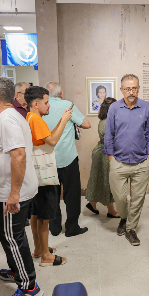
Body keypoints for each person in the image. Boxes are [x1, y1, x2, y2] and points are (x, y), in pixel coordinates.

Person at [0, 76, 43, 296]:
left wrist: (14, 194)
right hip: (6, 192)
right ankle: (17, 267)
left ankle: (29, 287)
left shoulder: (7, 119)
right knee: (6, 231)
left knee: (12, 236)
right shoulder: (6, 117)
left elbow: (18, 155)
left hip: (11, 194)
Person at [104, 74, 149, 246]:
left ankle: (130, 229)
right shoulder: (114, 108)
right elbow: (108, 134)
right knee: (120, 198)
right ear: (121, 90)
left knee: (138, 198)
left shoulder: (147, 108)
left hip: (141, 162)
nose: (131, 92)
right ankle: (124, 218)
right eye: (127, 89)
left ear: (138, 89)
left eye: (134, 88)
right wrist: (111, 157)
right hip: (118, 161)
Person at [25, 86, 71, 266]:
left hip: (36, 176)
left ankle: (39, 248)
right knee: (44, 216)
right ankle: (46, 256)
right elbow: (52, 141)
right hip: (44, 176)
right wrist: (65, 120)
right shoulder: (35, 119)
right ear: (36, 104)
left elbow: (47, 137)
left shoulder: (31, 117)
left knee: (36, 213)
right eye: (46, 103)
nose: (49, 106)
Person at [43, 82, 91, 237]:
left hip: (48, 158)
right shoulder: (67, 105)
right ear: (61, 94)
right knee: (72, 194)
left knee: (52, 194)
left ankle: (54, 227)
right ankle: (71, 228)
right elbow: (86, 124)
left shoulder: (42, 107)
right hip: (68, 157)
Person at [85, 97, 120, 218]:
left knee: (97, 180)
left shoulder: (105, 120)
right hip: (105, 153)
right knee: (108, 182)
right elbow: (111, 141)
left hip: (100, 152)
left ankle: (92, 204)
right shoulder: (107, 122)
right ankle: (111, 210)